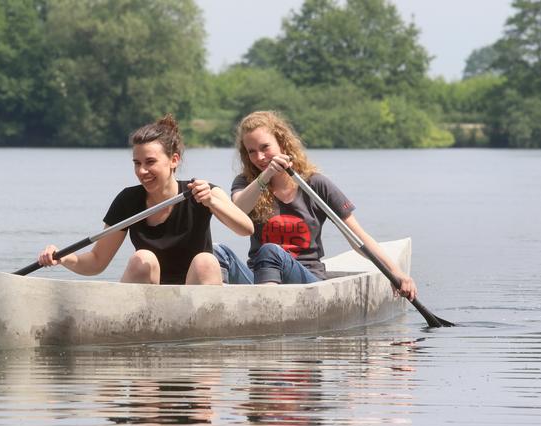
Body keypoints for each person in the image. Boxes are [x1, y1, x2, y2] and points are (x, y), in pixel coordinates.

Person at [215, 110, 416, 300]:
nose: (259, 157)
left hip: (307, 280)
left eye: (265, 147)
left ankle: (265, 309)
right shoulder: (246, 183)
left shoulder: (316, 184)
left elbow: (358, 239)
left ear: (282, 144)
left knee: (270, 251)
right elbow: (238, 211)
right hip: (259, 277)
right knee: (215, 252)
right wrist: (265, 176)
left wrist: (396, 272)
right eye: (251, 152)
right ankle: (221, 308)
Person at [38, 114, 254, 285]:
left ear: (173, 160)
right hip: (150, 296)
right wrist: (63, 257)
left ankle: (201, 339)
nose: (142, 171)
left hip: (196, 290)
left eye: (150, 162)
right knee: (143, 259)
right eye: (136, 163)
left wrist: (211, 202)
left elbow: (246, 229)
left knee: (206, 261)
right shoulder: (128, 200)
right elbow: (96, 262)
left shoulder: (201, 191)